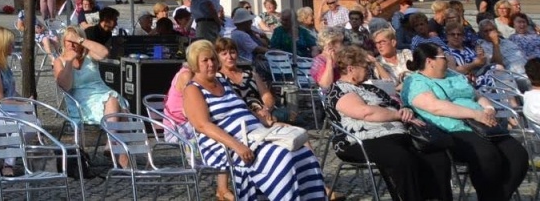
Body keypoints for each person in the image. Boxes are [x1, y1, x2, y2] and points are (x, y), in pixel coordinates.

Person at [181, 39, 328, 201]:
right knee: (281, 156)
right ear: (195, 64)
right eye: (205, 60)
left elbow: (242, 107)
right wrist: (237, 146)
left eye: (213, 59)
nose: (211, 63)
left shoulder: (221, 81)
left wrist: (269, 123)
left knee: (303, 153)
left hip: (255, 134)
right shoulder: (193, 89)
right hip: (224, 145)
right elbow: (203, 125)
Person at [400, 44, 527, 201]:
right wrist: (475, 114)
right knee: (487, 155)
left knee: (518, 155)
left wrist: (488, 109)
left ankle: (498, 197)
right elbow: (435, 107)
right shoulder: (415, 82)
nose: (447, 59)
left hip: (483, 123)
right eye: (443, 56)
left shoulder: (453, 75)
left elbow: (477, 95)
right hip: (452, 129)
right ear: (430, 61)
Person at [327, 44, 451, 201]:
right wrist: (398, 115)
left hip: (399, 134)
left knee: (436, 156)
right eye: (365, 67)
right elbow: (365, 112)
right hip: (361, 140)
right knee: (401, 159)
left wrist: (406, 111)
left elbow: (396, 105)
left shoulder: (371, 88)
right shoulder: (339, 90)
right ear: (351, 69)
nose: (369, 70)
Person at [54, 27, 124, 147]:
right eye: (69, 41)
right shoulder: (59, 61)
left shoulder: (89, 55)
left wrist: (80, 39)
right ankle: (114, 147)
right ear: (63, 42)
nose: (72, 44)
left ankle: (117, 154)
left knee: (118, 109)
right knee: (120, 112)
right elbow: (66, 86)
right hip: (81, 102)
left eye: (75, 41)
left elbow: (104, 53)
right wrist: (69, 62)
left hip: (102, 93)